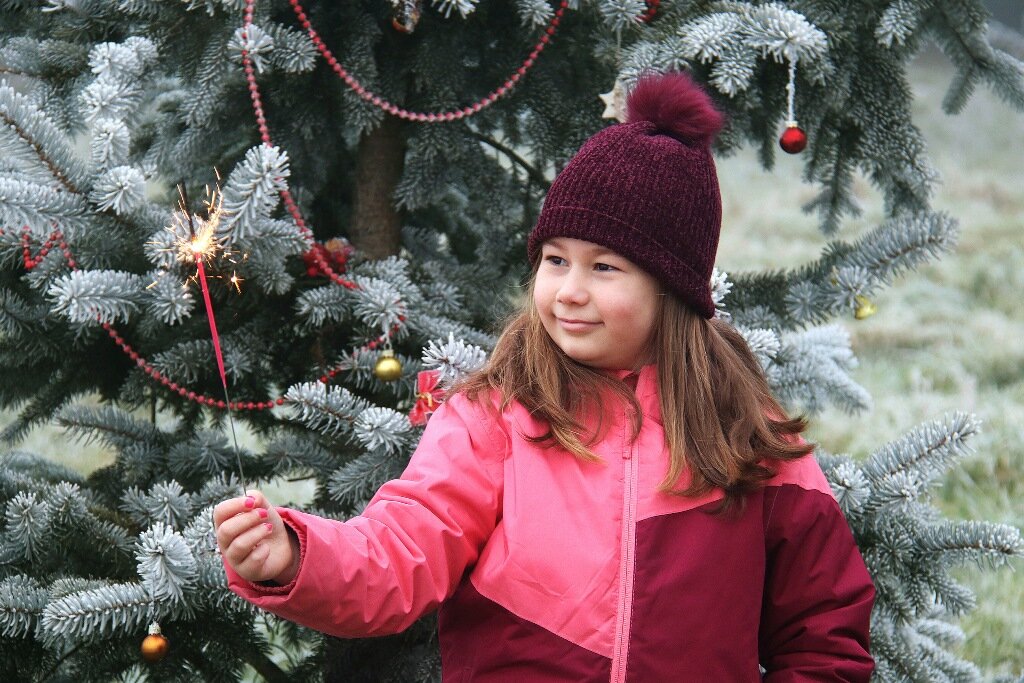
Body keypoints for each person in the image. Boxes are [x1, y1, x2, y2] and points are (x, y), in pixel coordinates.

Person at [215, 71, 875, 682]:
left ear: (671, 287)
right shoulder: (496, 417)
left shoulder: (741, 427)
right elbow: (402, 548)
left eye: (605, 268)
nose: (568, 291)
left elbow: (823, 623)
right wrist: (297, 557)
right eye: (556, 260)